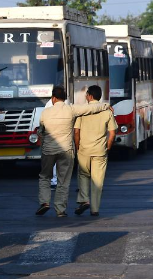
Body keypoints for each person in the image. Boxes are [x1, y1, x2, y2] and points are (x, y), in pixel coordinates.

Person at [36, 86, 110, 217]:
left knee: (45, 177)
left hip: (48, 150)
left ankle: (45, 202)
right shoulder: (71, 110)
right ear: (64, 99)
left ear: (53, 98)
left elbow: (41, 131)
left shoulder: (45, 113)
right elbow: (91, 108)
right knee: (63, 180)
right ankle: (60, 210)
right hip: (66, 150)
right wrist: (105, 106)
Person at [73, 85, 117, 216]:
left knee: (83, 175)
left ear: (90, 96)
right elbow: (113, 133)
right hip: (100, 150)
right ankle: (95, 209)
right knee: (98, 180)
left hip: (84, 149)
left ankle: (84, 199)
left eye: (86, 95)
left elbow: (76, 132)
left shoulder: (83, 112)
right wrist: (108, 147)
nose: (86, 97)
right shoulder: (108, 112)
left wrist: (77, 147)